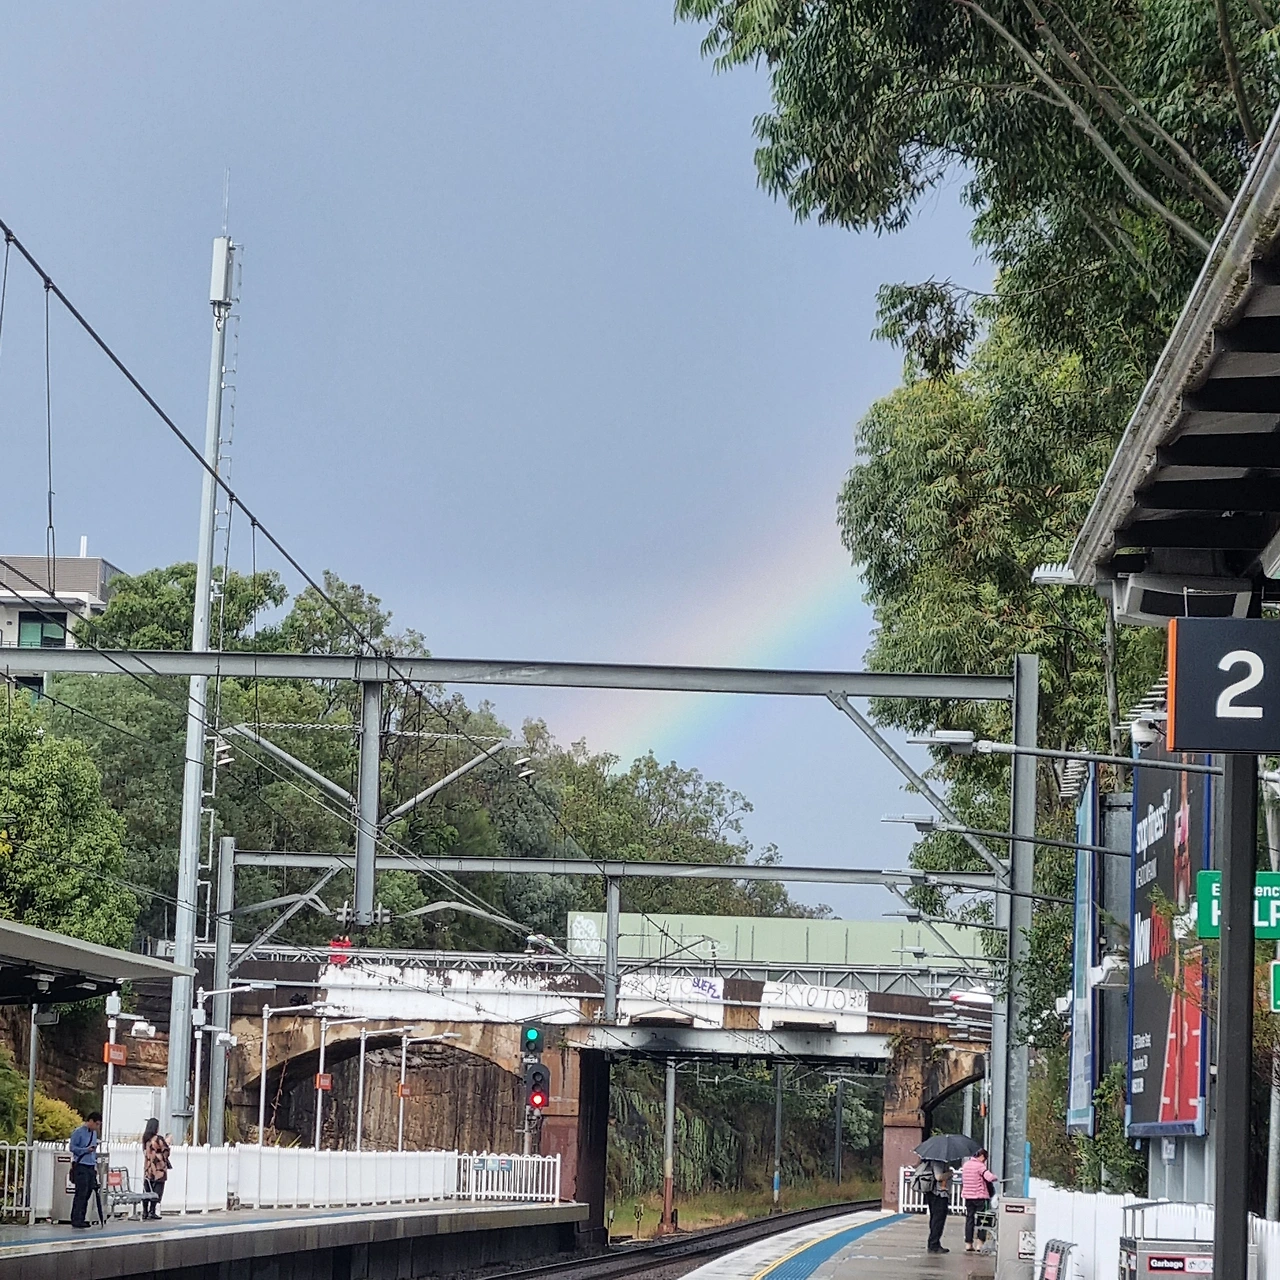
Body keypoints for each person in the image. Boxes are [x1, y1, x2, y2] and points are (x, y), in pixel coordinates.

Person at [68, 1111, 101, 1229]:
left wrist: (95, 1165)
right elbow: (72, 1148)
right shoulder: (78, 1132)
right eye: (96, 1124)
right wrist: (86, 1150)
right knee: (81, 1192)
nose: (97, 1127)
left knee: (88, 1192)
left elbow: (94, 1152)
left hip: (90, 1165)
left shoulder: (94, 1134)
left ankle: (82, 1217)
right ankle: (76, 1218)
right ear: (90, 1121)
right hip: (81, 1164)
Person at [961, 1148, 997, 1252]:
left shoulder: (966, 1165)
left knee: (970, 1219)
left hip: (968, 1197)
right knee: (983, 1219)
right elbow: (989, 1178)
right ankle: (979, 1244)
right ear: (981, 1156)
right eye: (985, 1158)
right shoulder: (980, 1166)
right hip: (980, 1197)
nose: (984, 1161)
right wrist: (995, 1177)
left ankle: (968, 1244)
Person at [915, 1157, 952, 1253]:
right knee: (938, 1219)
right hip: (938, 1194)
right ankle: (933, 1244)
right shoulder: (938, 1162)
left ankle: (934, 1242)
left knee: (935, 1219)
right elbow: (938, 1177)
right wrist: (949, 1173)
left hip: (933, 1194)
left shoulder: (931, 1162)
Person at [142, 1117, 171, 1219]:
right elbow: (166, 1152)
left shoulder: (145, 1140)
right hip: (159, 1168)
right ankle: (152, 1211)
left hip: (148, 1168)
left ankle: (145, 1211)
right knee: (157, 1190)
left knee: (147, 1189)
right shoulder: (159, 1139)